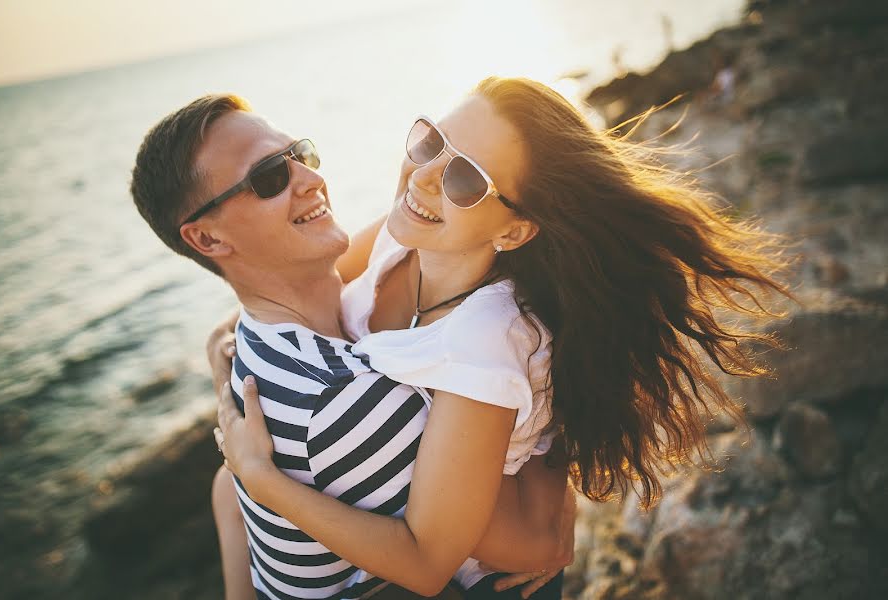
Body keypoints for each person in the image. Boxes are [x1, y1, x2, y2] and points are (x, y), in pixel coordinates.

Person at [213, 75, 795, 597]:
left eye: (466, 178)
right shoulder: (406, 234)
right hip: (434, 523)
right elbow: (296, 292)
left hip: (484, 575)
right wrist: (233, 354)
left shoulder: (481, 344)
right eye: (430, 141)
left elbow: (424, 564)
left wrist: (262, 478)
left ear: (514, 230)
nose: (425, 175)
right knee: (222, 491)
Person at [130, 94, 573, 600]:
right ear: (207, 241)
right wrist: (557, 435)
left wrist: (249, 472)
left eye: (298, 153)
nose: (312, 178)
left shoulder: (257, 340)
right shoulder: (349, 401)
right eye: (270, 178)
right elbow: (534, 545)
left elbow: (226, 492)